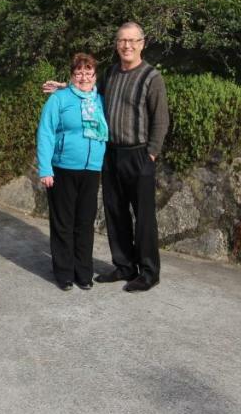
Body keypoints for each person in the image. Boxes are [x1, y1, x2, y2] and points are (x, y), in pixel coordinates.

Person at [44, 22, 169, 292]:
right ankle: (124, 266)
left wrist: (152, 154)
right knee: (115, 213)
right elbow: (86, 89)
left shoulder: (151, 77)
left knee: (144, 217)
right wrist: (64, 87)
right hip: (110, 154)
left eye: (133, 41)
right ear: (117, 44)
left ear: (142, 44)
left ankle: (148, 272)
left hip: (139, 154)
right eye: (123, 40)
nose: (127, 45)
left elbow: (161, 118)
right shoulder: (111, 73)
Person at [36, 53, 109, 292]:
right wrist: (45, 168)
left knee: (85, 224)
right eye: (79, 73)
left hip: (91, 170)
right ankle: (64, 274)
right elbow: (46, 132)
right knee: (63, 224)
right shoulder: (59, 99)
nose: (84, 77)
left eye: (89, 72)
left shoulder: (100, 100)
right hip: (63, 168)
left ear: (95, 75)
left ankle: (83, 273)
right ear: (71, 75)